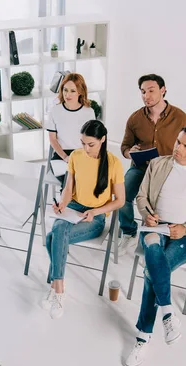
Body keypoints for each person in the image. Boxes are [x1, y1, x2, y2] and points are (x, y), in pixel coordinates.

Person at [123, 126, 186, 366]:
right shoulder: (157, 164)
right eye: (178, 142)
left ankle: (143, 336)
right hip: (155, 228)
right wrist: (147, 215)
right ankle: (168, 313)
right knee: (155, 259)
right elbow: (141, 197)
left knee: (151, 272)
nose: (178, 148)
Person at [43, 120, 125, 319]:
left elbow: (120, 201)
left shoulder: (114, 163)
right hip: (73, 208)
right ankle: (59, 289)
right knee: (57, 232)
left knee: (52, 237)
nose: (85, 148)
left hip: (94, 217)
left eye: (91, 144)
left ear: (102, 140)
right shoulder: (75, 156)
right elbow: (68, 189)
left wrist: (95, 212)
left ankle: (55, 286)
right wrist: (62, 204)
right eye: (82, 143)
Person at [119, 74, 186, 251]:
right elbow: (125, 147)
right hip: (141, 168)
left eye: (151, 90)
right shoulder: (135, 118)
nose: (146, 96)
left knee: (161, 202)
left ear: (163, 90)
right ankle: (129, 231)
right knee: (121, 198)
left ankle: (157, 238)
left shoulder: (180, 118)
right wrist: (130, 153)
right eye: (143, 92)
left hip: (168, 171)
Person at [47, 72, 96, 187]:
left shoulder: (88, 112)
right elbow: (52, 140)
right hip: (61, 156)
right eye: (65, 90)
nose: (67, 94)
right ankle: (69, 202)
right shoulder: (55, 111)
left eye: (72, 91)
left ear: (80, 92)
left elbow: (92, 140)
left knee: (86, 181)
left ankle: (73, 202)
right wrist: (65, 157)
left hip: (83, 154)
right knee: (70, 181)